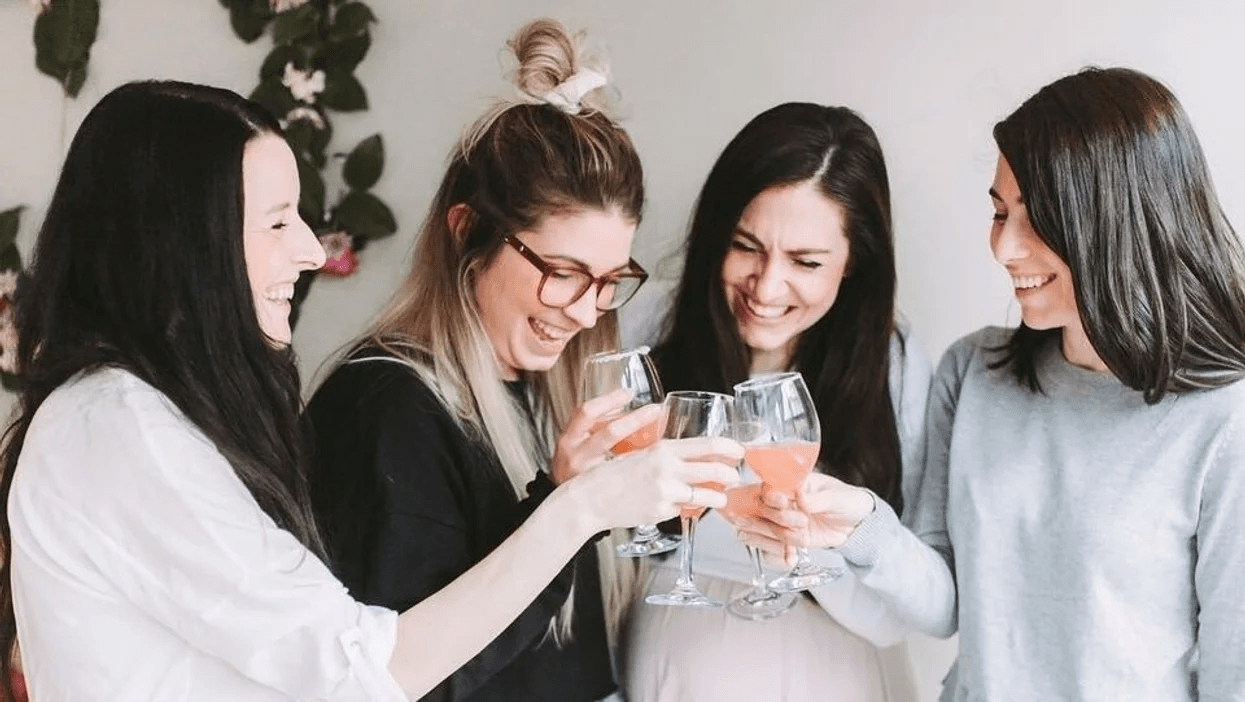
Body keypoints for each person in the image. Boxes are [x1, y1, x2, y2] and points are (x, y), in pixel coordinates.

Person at [0, 79, 734, 702]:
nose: (311, 250)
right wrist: (575, 510)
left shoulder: (148, 420)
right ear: (183, 243)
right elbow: (358, 671)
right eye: (277, 221)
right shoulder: (120, 428)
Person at [754, 67, 1245, 701]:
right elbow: (944, 606)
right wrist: (858, 525)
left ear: (1119, 221)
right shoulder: (974, 372)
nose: (1004, 248)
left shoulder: (1222, 416)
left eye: (1037, 217)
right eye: (998, 211)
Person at [304, 18, 739, 702]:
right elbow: (399, 678)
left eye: (607, 279)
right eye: (562, 271)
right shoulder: (384, 407)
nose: (587, 309)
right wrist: (569, 508)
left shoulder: (544, 387)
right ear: (467, 231)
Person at [622, 102, 931, 702]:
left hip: (837, 671)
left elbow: (909, 609)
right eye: (745, 247)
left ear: (853, 267)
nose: (765, 288)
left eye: (806, 262)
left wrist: (818, 547)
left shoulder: (890, 360)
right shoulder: (647, 327)